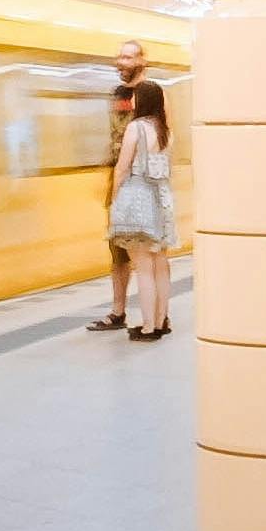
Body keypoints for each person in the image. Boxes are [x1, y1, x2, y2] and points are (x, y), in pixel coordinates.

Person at [108, 76, 176, 340]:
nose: (132, 100)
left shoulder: (136, 128)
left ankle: (148, 327)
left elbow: (122, 167)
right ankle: (161, 321)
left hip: (139, 199)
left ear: (143, 100)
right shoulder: (165, 131)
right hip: (162, 198)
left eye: (136, 96)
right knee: (160, 263)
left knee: (143, 266)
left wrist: (115, 198)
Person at [92, 40, 145, 328]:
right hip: (117, 180)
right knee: (118, 250)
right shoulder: (117, 94)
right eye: (119, 57)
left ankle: (155, 316)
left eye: (127, 57)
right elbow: (115, 138)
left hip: (140, 182)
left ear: (141, 60)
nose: (120, 63)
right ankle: (118, 311)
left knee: (144, 251)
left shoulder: (149, 94)